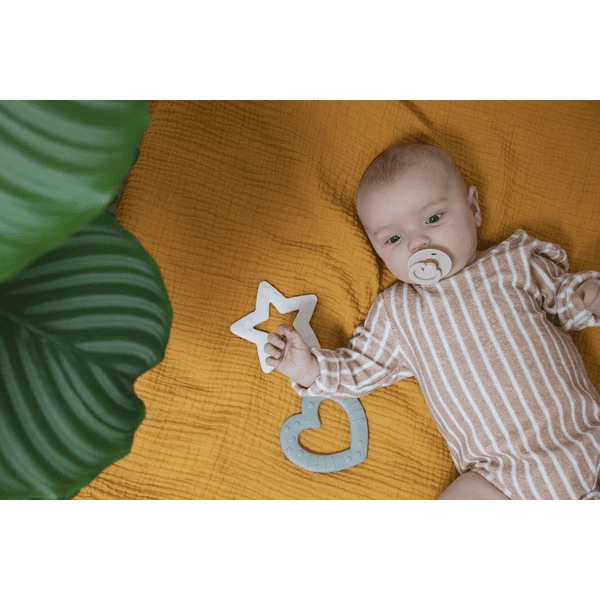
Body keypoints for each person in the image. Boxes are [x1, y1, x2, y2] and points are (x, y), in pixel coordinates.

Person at [264, 143, 600, 500]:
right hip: (500, 478)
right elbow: (360, 366)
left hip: (585, 439)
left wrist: (587, 298)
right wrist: (309, 369)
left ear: (473, 209)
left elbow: (562, 300)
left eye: (433, 218)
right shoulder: (398, 312)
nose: (418, 242)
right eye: (394, 238)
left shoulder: (514, 262)